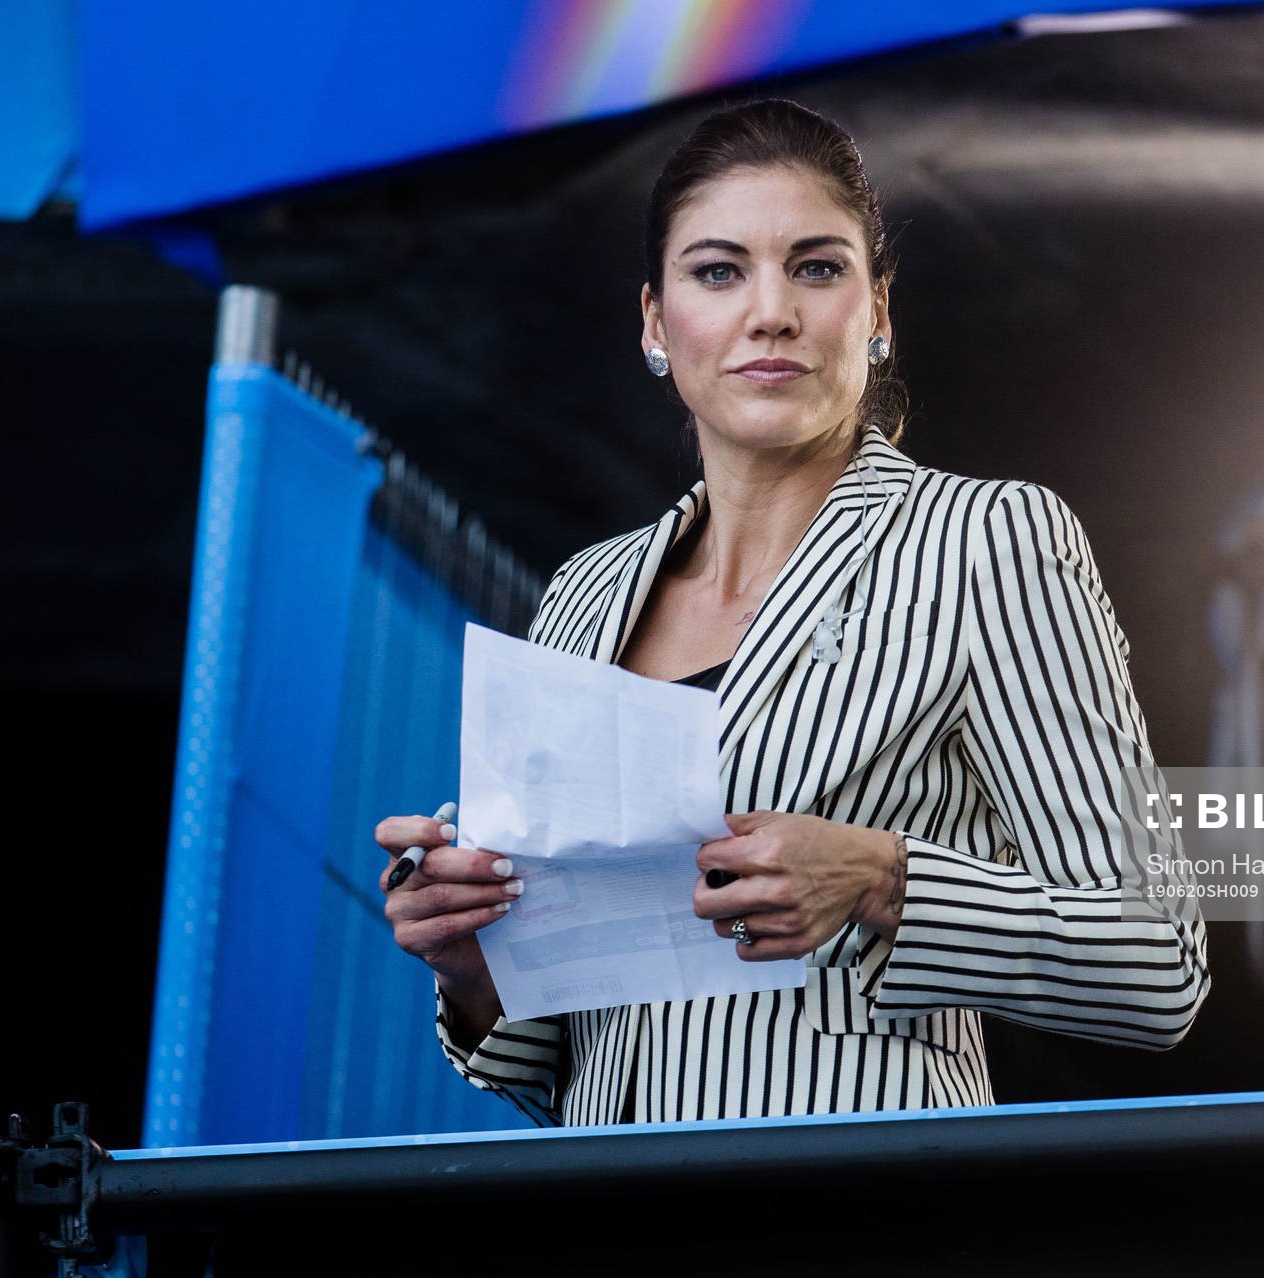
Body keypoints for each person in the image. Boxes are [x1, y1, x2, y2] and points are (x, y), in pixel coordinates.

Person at [374, 99, 1209, 1125]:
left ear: (879, 308)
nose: (770, 310)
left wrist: (881, 876)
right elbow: (562, 1052)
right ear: (654, 320)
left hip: (855, 1212)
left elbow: (1156, 960)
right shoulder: (584, 597)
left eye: (816, 267)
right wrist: (470, 959)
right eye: (719, 271)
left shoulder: (989, 540)